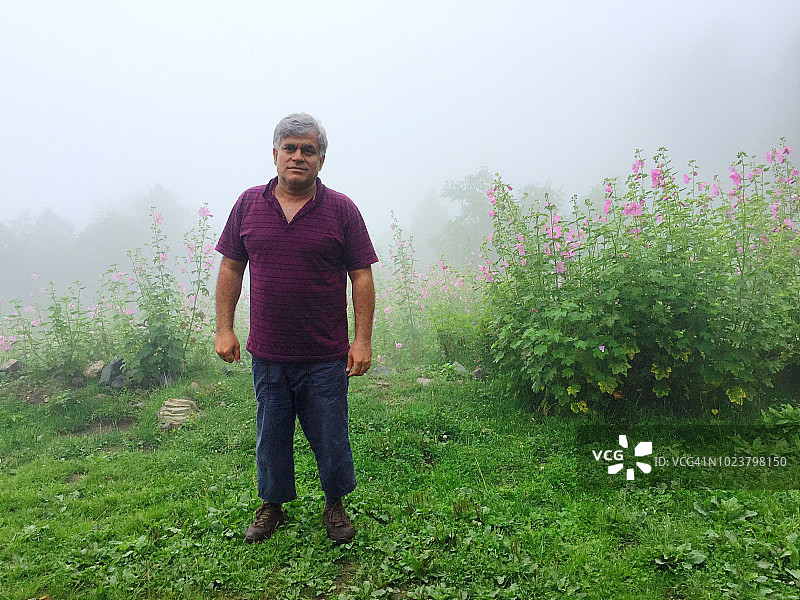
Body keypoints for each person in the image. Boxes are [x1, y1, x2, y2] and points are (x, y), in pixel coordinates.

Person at [214, 113, 378, 544]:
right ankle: (272, 505)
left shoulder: (341, 210)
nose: (298, 157)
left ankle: (335, 505)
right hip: (268, 352)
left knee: (330, 435)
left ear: (321, 159)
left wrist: (362, 341)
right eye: (290, 148)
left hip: (325, 354)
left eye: (309, 150)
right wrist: (224, 329)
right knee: (271, 436)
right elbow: (230, 268)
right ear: (275, 154)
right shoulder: (249, 204)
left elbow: (361, 275)